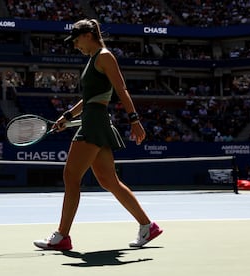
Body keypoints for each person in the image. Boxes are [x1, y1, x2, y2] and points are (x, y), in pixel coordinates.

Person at [33, 19, 163, 251]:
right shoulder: (93, 60)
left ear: (88, 35)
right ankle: (148, 226)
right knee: (108, 180)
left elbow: (120, 88)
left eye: (76, 40)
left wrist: (135, 120)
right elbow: (90, 98)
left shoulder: (104, 56)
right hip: (92, 119)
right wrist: (67, 116)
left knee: (71, 176)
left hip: (94, 122)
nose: (75, 45)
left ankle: (62, 236)